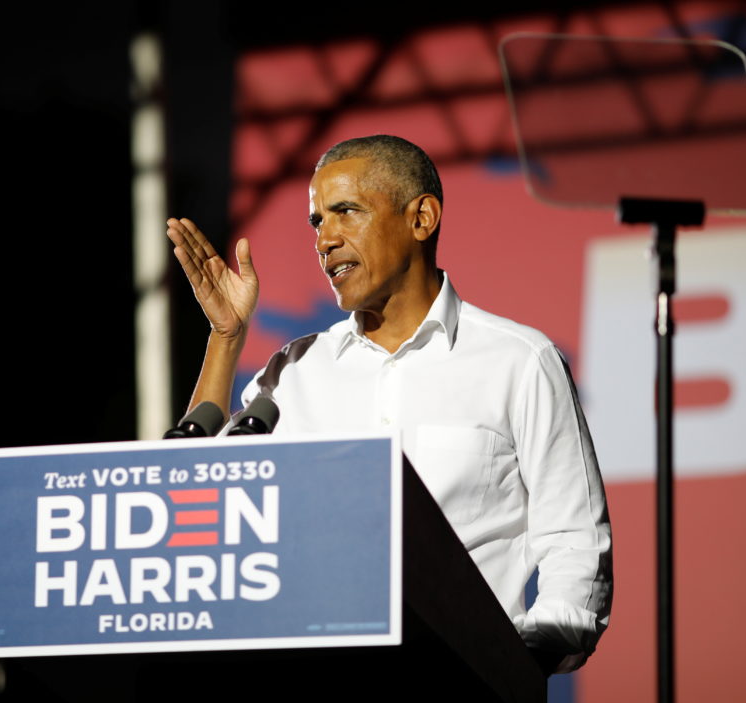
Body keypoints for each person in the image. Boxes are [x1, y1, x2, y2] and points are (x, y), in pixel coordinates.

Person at [166, 135, 612, 674]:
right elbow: (197, 504)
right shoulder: (295, 372)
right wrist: (225, 336)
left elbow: (574, 541)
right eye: (315, 222)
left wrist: (517, 662)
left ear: (421, 218)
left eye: (344, 212)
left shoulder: (519, 361)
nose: (324, 239)